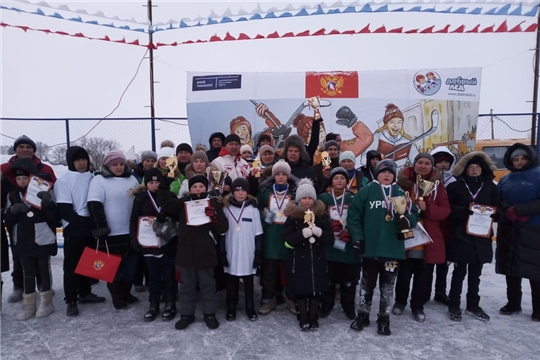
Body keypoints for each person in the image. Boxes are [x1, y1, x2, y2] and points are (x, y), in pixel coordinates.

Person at [348, 159, 419, 335]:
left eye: (390, 172)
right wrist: (358, 237)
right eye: (383, 171)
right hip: (370, 249)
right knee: (366, 284)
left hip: (392, 250)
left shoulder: (400, 192)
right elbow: (354, 215)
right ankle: (363, 315)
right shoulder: (367, 191)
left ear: (394, 175)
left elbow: (413, 214)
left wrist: (407, 221)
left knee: (387, 286)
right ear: (377, 174)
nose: (386, 175)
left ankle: (384, 318)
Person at [158, 174, 228, 330]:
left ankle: (209, 314)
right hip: (186, 253)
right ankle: (187, 315)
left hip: (206, 253)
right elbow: (166, 204)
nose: (198, 189)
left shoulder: (214, 204)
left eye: (201, 186)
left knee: (208, 286)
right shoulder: (183, 203)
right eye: (194, 187)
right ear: (189, 189)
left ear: (206, 188)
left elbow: (223, 228)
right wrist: (164, 185)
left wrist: (214, 218)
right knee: (187, 286)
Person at [393, 153, 450, 322]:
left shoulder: (437, 186)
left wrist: (428, 206)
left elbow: (445, 211)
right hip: (407, 236)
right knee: (403, 274)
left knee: (423, 276)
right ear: (414, 164)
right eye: (420, 162)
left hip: (427, 238)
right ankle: (400, 302)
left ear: (432, 167)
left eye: (427, 163)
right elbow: (394, 206)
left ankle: (417, 306)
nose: (423, 166)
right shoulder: (402, 183)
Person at [1, 135, 57, 303]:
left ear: (34, 150)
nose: (25, 149)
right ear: (15, 149)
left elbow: (53, 189)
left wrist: (49, 204)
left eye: (28, 147)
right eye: (21, 146)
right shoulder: (4, 168)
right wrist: (9, 212)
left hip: (41, 218)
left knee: (42, 255)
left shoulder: (45, 169)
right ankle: (19, 286)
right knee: (19, 253)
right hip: (17, 218)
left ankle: (43, 285)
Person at [446, 151, 500, 322]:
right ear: (465, 170)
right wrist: (463, 211)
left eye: (477, 167)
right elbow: (448, 208)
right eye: (471, 167)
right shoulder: (455, 187)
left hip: (482, 237)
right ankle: (454, 303)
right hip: (461, 236)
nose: (475, 170)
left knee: (475, 274)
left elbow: (499, 207)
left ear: (482, 169)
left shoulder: (491, 186)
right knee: (459, 272)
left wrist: (495, 215)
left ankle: (473, 305)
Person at [54, 146, 106, 317]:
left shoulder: (93, 178)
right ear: (71, 161)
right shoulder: (64, 181)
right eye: (77, 160)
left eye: (84, 159)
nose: (82, 163)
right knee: (72, 266)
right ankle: (71, 300)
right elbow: (65, 209)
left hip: (90, 226)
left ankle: (85, 293)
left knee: (88, 262)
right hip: (74, 227)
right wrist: (81, 223)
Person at [87, 150, 140, 310]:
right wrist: (101, 228)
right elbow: (94, 205)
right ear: (107, 165)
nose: (118, 167)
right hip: (110, 234)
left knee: (131, 267)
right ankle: (117, 297)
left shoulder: (132, 179)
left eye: (121, 164)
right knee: (112, 269)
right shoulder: (99, 180)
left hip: (130, 232)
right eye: (114, 164)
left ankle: (126, 292)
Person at [495, 143, 540, 322]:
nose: (519, 162)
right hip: (509, 227)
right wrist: (506, 211)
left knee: (535, 269)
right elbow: (497, 200)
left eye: (523, 158)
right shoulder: (506, 179)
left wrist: (522, 211)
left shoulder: (538, 175)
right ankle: (513, 303)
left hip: (533, 228)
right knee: (510, 266)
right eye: (516, 159)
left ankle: (538, 308)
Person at [282, 179, 333, 331]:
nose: (307, 201)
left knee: (315, 291)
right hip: (300, 261)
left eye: (310, 198)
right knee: (302, 291)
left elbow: (329, 239)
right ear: (298, 199)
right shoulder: (293, 218)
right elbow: (286, 241)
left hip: (317, 260)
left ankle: (314, 318)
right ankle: (303, 317)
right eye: (304, 198)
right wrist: (301, 234)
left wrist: (319, 232)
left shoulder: (322, 216)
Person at [129, 168, 179, 322]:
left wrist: (168, 216)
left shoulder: (169, 196)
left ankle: (170, 303)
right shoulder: (141, 198)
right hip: (148, 243)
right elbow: (133, 219)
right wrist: (133, 238)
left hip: (167, 242)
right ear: (146, 183)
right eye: (151, 182)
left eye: (158, 182)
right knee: (153, 276)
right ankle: (153, 304)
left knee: (169, 275)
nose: (155, 185)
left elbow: (177, 216)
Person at [318, 167, 360, 320]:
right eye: (336, 178)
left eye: (342, 178)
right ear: (331, 181)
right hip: (330, 246)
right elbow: (318, 217)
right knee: (328, 279)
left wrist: (349, 230)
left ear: (347, 181)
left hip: (348, 246)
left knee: (348, 280)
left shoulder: (354, 198)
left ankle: (348, 306)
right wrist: (329, 224)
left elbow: (358, 217)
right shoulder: (324, 198)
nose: (339, 181)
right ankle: (326, 305)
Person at [219, 178, 263, 322]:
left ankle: (250, 307)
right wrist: (222, 253)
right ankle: (231, 307)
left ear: (247, 191)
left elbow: (258, 234)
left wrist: (258, 254)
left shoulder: (253, 209)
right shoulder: (226, 209)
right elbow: (221, 234)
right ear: (232, 191)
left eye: (243, 190)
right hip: (231, 250)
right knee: (231, 281)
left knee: (249, 281)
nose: (240, 193)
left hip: (248, 252)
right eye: (237, 190)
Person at [257, 160, 297, 315]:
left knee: (290, 272)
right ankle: (268, 299)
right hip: (271, 237)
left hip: (287, 238)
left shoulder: (294, 194)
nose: (281, 177)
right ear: (273, 176)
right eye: (278, 174)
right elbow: (258, 207)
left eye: (284, 174)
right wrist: (263, 214)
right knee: (268, 272)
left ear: (288, 176)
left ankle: (291, 298)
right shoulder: (265, 192)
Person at [427, 146, 457, 305]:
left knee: (444, 262)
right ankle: (424, 291)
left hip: (449, 226)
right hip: (432, 224)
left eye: (446, 162)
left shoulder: (456, 181)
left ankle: (440, 291)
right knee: (428, 262)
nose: (443, 165)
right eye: (439, 162)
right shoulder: (429, 181)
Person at [362, 103, 420, 169]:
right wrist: (378, 158)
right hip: (380, 176)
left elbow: (418, 163)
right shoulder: (377, 138)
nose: (396, 125)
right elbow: (364, 160)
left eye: (399, 122)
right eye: (392, 122)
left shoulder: (407, 142)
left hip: (399, 178)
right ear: (386, 124)